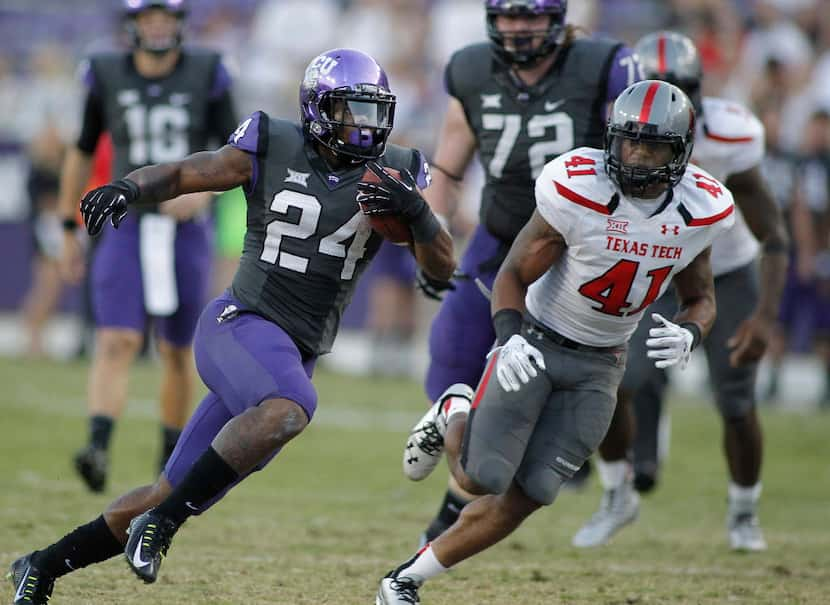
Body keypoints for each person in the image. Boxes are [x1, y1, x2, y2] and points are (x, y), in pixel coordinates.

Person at [8, 48, 454, 605]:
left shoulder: (398, 172)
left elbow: (441, 267)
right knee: (290, 409)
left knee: (170, 488)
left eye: (373, 111)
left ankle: (41, 566)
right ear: (317, 109)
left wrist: (419, 213)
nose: (363, 125)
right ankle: (163, 526)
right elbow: (187, 172)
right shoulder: (273, 140)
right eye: (350, 110)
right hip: (240, 323)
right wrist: (129, 187)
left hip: (294, 349)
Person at [379, 79, 735, 605]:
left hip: (602, 361)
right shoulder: (578, 186)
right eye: (628, 140)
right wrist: (511, 337)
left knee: (534, 492)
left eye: (651, 144)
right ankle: (454, 408)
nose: (636, 154)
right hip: (539, 340)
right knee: (480, 478)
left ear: (679, 151)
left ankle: (405, 580)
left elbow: (700, 297)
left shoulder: (700, 210)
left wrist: (690, 331)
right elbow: (511, 275)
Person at [410, 0, 643, 544]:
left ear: (558, 17)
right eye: (508, 15)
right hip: (500, 241)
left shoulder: (603, 64)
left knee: (564, 383)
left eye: (531, 15)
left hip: (580, 249)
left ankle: (609, 482)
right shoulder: (471, 69)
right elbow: (448, 165)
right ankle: (462, 478)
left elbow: (639, 156)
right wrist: (434, 234)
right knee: (450, 360)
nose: (517, 28)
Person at [570, 31, 788, 552]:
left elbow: (773, 235)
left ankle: (743, 510)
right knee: (613, 384)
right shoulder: (616, 133)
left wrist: (764, 316)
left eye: (675, 88)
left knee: (735, 399)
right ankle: (618, 492)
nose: (659, 108)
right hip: (651, 272)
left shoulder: (731, 137)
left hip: (726, 271)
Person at [56, 0, 239, 492]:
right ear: (132, 24)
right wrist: (68, 225)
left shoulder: (208, 71)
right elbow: (82, 148)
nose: (157, 26)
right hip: (125, 220)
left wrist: (202, 194)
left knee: (178, 348)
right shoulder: (106, 71)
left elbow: (240, 155)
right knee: (117, 338)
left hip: (185, 227)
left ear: (180, 24)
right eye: (148, 18)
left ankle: (170, 456)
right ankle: (97, 443)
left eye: (166, 17)